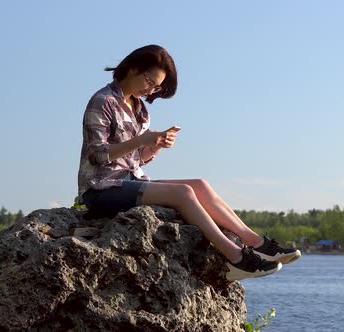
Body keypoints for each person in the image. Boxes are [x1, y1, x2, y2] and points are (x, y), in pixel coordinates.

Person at [77, 45, 300, 281]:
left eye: (156, 87)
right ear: (132, 68)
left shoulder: (140, 110)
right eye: (150, 81)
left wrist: (154, 146)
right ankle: (235, 258)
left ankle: (257, 243)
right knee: (183, 193)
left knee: (200, 185)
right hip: (100, 189)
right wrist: (142, 139)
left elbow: (133, 160)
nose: (151, 90)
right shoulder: (102, 101)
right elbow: (97, 156)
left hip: (128, 181)